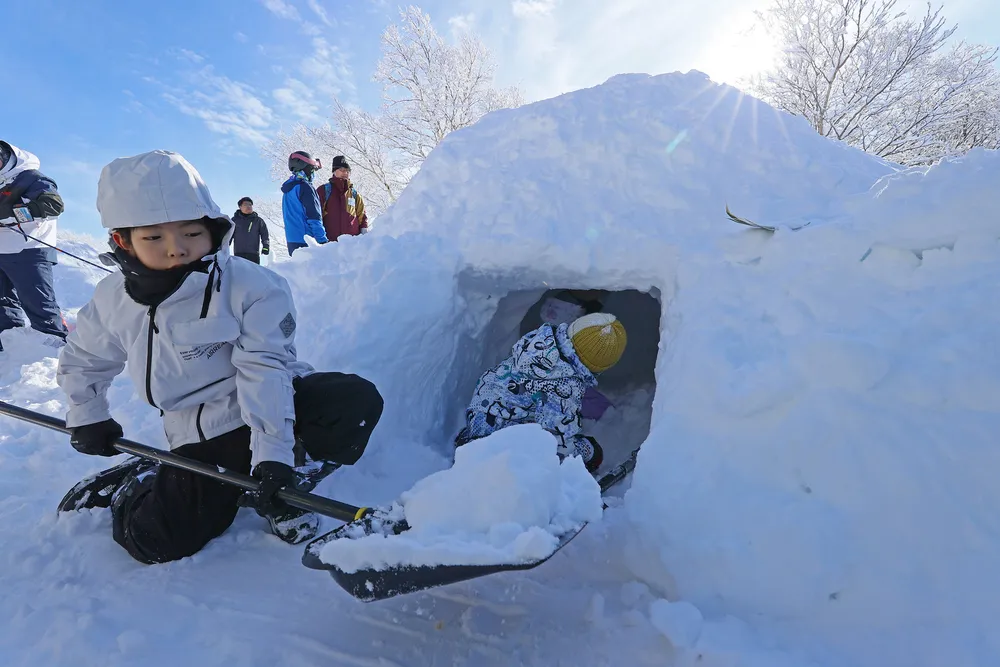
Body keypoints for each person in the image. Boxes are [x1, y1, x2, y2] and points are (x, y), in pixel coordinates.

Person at [56, 150, 384, 565]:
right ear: (124, 240)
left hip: (270, 401)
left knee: (354, 402)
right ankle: (141, 480)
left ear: (213, 230)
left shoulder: (253, 286)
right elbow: (85, 355)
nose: (176, 249)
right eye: (154, 237)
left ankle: (286, 480)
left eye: (190, 233)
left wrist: (274, 458)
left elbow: (265, 369)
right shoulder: (113, 299)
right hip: (202, 432)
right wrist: (87, 413)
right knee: (157, 540)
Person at [454, 312, 627, 473]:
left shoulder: (539, 341)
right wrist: (583, 452)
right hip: (504, 436)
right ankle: (486, 451)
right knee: (584, 449)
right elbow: (558, 438)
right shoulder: (565, 388)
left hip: (482, 405)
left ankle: (475, 437)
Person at [0, 141, 69, 350]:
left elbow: (53, 204)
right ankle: (9, 345)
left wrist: (11, 214)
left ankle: (53, 346)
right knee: (3, 303)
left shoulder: (30, 177)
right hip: (2, 250)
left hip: (29, 249)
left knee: (37, 300)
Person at [281, 151, 328, 256]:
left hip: (292, 240)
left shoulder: (288, 189)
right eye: (312, 169)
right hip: (308, 241)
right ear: (305, 168)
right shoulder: (305, 187)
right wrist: (322, 241)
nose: (313, 173)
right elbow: (314, 216)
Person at [317, 156, 369, 241]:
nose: (345, 173)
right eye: (342, 170)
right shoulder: (323, 191)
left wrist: (364, 234)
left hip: (352, 244)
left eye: (347, 171)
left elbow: (362, 217)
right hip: (330, 244)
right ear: (334, 171)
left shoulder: (354, 195)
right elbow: (316, 216)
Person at [230, 197, 270, 264]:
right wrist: (223, 247)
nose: (248, 206)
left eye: (250, 205)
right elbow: (229, 235)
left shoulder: (258, 221)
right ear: (240, 207)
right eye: (245, 204)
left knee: (254, 274)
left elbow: (265, 235)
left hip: (253, 255)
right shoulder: (234, 220)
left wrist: (266, 247)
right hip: (239, 254)